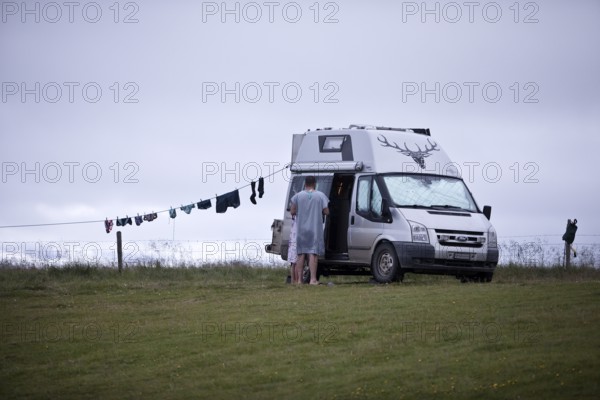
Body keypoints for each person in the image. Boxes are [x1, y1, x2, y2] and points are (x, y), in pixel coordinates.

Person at [290, 175, 329, 285]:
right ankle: (312, 279)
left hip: (301, 229)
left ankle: (299, 280)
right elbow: (326, 211)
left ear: (305, 184)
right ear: (315, 184)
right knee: (313, 253)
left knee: (301, 253)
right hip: (315, 229)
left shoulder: (297, 196)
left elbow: (292, 211)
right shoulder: (321, 196)